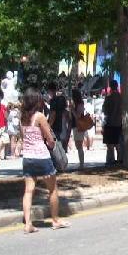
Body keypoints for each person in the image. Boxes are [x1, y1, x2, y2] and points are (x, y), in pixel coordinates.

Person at [19, 87, 69, 234]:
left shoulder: (22, 118)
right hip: (41, 156)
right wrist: (51, 144)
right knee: (52, 189)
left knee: (28, 191)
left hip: (28, 158)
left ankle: (28, 223)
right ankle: (55, 219)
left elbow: (23, 138)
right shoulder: (39, 116)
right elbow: (50, 138)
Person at [102, 80, 122, 165]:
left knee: (110, 144)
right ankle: (120, 159)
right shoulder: (121, 97)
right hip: (118, 122)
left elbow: (104, 110)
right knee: (117, 143)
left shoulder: (109, 97)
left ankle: (111, 160)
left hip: (110, 122)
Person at [47, 82, 70, 152]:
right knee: (63, 148)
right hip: (63, 125)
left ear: (50, 91)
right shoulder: (62, 99)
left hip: (55, 127)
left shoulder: (53, 101)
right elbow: (66, 112)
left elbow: (53, 115)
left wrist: (48, 126)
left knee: (56, 149)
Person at [70, 89, 87, 168]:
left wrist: (72, 109)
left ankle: (82, 164)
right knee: (78, 145)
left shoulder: (80, 104)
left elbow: (78, 116)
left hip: (79, 126)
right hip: (75, 126)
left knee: (79, 145)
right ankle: (81, 163)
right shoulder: (76, 104)